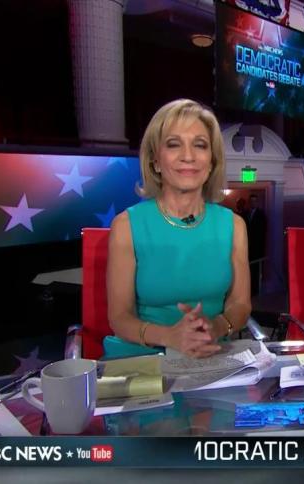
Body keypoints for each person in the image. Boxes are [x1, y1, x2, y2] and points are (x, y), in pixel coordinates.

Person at [106, 99, 251, 358]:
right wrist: (170, 337)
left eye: (200, 145)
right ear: (155, 160)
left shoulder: (234, 225)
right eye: (174, 144)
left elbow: (240, 305)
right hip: (143, 357)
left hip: (210, 355)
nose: (188, 156)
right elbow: (119, 317)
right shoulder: (126, 226)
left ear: (211, 162)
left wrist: (215, 327)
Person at [244, 193, 267, 294]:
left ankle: (256, 290)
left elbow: (262, 232)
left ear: (257, 202)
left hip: (257, 249)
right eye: (251, 201)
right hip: (247, 248)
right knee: (247, 270)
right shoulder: (245, 214)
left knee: (256, 270)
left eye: (254, 201)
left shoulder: (261, 215)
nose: (252, 203)